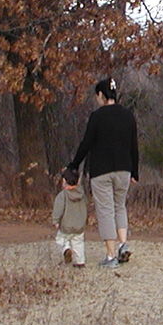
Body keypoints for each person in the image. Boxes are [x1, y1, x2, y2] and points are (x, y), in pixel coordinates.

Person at [66, 76, 139, 268]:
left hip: (102, 171)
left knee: (106, 210)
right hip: (124, 169)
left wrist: (74, 164)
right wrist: (135, 172)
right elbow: (134, 145)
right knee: (119, 206)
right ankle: (123, 244)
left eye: (97, 95)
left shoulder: (97, 117)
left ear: (101, 94)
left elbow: (86, 144)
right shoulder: (128, 115)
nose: (96, 99)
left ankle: (110, 255)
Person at [51, 166, 88, 267]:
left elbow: (58, 209)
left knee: (61, 239)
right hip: (79, 226)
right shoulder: (82, 194)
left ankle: (66, 249)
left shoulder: (62, 195)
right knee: (78, 243)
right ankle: (80, 262)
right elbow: (85, 208)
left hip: (66, 225)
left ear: (64, 181)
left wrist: (56, 220)